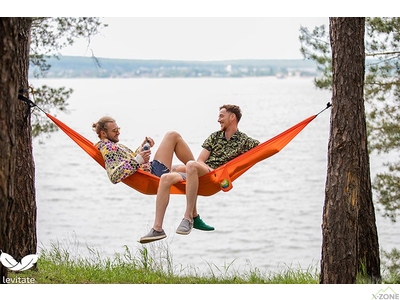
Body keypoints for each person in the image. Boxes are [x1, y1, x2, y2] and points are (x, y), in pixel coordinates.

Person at [140, 104, 260, 243]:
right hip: (204, 171)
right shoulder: (214, 137)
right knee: (166, 177)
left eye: (221, 116)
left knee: (190, 165)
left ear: (232, 117)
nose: (218, 120)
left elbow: (263, 149)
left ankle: (188, 217)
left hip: (216, 176)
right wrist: (208, 169)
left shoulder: (244, 141)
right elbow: (201, 160)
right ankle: (157, 229)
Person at [92, 116, 213, 243]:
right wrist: (138, 159)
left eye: (118, 129)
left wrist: (142, 148)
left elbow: (129, 161)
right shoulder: (107, 147)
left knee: (182, 169)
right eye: (115, 130)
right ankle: (199, 173)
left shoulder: (110, 145)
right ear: (103, 133)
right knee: (172, 136)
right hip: (154, 173)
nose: (118, 132)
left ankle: (195, 214)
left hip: (150, 172)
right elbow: (114, 175)